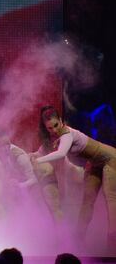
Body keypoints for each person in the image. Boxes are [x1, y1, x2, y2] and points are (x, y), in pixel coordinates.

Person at [32, 105, 116, 249]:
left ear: (60, 120)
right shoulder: (59, 138)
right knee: (87, 202)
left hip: (110, 158)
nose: (54, 130)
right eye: (50, 128)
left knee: (111, 198)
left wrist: (37, 161)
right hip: (94, 163)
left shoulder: (67, 134)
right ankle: (78, 243)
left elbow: (61, 154)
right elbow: (47, 153)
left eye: (56, 125)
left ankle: (112, 244)